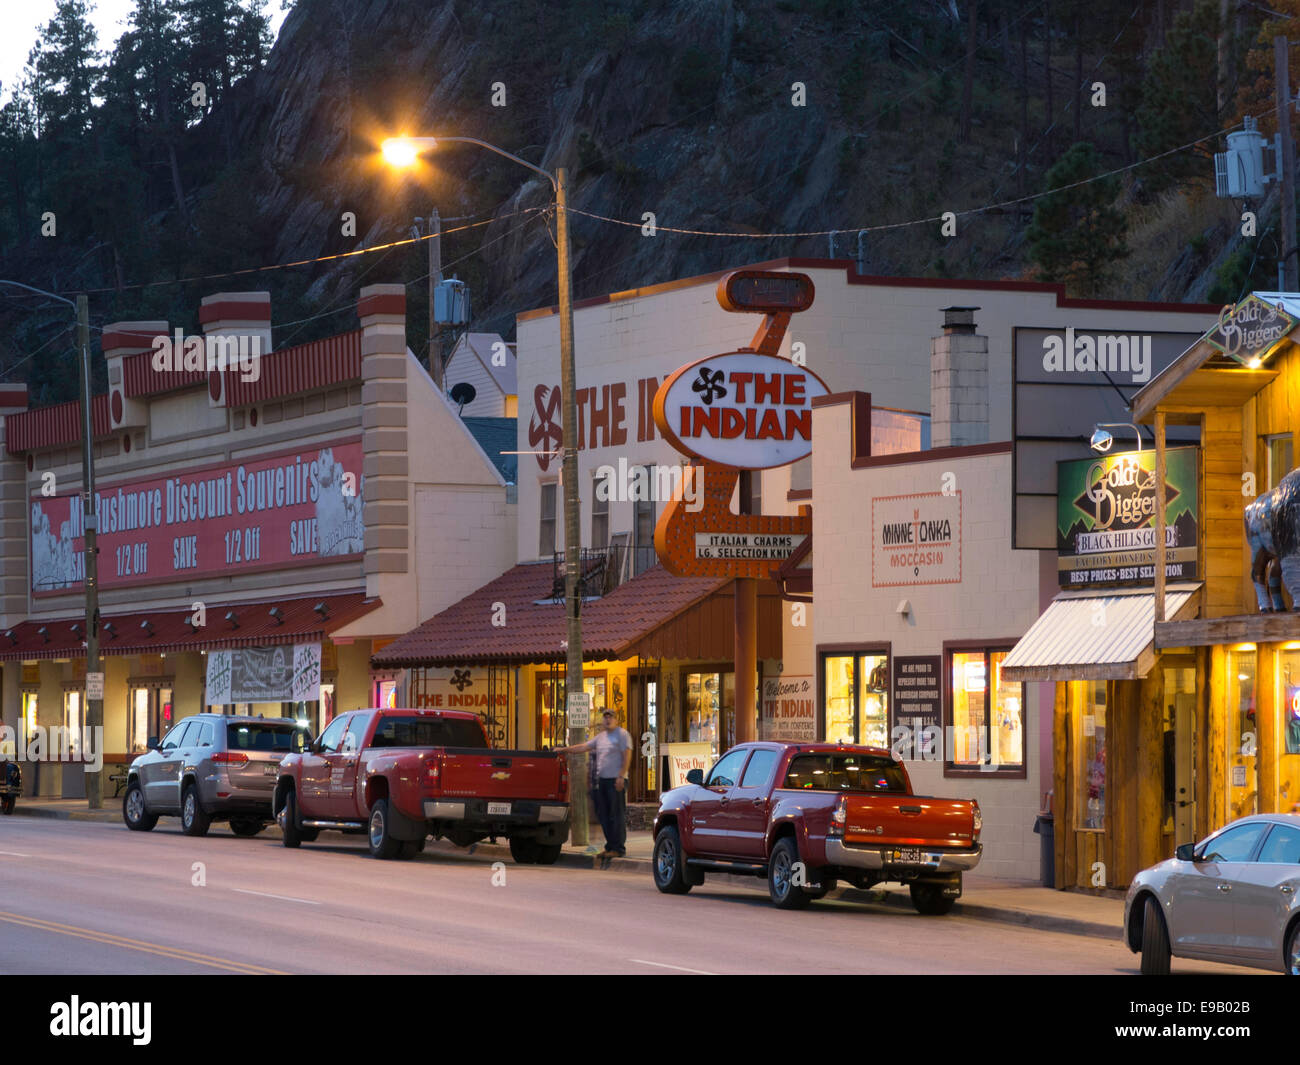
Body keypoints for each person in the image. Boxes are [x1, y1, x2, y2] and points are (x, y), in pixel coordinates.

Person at [559, 709, 632, 859]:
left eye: (610, 717)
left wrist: (620, 776)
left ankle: (618, 848)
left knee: (616, 815)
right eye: (605, 717)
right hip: (603, 781)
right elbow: (583, 747)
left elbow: (627, 756)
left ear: (616, 719)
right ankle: (610, 846)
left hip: (616, 780)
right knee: (603, 815)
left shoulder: (622, 735)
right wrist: (564, 749)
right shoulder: (601, 737)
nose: (607, 720)